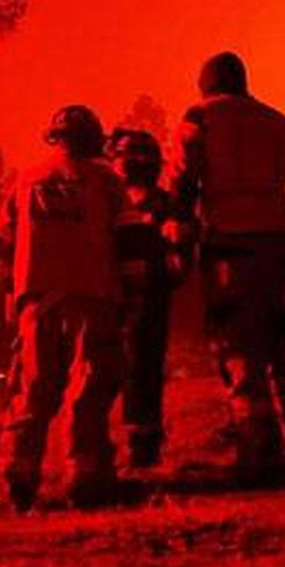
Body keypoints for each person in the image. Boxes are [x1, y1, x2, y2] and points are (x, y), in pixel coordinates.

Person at [171, 52, 285, 480]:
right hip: (276, 245)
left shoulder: (197, 119)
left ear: (206, 84)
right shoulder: (278, 121)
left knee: (234, 341)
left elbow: (183, 182)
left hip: (227, 246)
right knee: (271, 334)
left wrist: (179, 241)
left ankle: (258, 444)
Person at [0, 105, 125, 511]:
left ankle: (19, 471)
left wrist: (12, 293)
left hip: (37, 300)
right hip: (92, 296)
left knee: (33, 388)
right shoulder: (105, 181)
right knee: (87, 388)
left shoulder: (26, 179)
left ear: (55, 138)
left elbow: (0, 242)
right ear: (92, 140)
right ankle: (84, 476)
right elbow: (131, 239)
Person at [107, 128, 180, 469]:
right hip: (143, 297)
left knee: (133, 370)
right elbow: (180, 258)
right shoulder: (163, 205)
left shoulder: (112, 204)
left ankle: (136, 445)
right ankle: (140, 444)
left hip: (123, 298)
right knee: (141, 370)